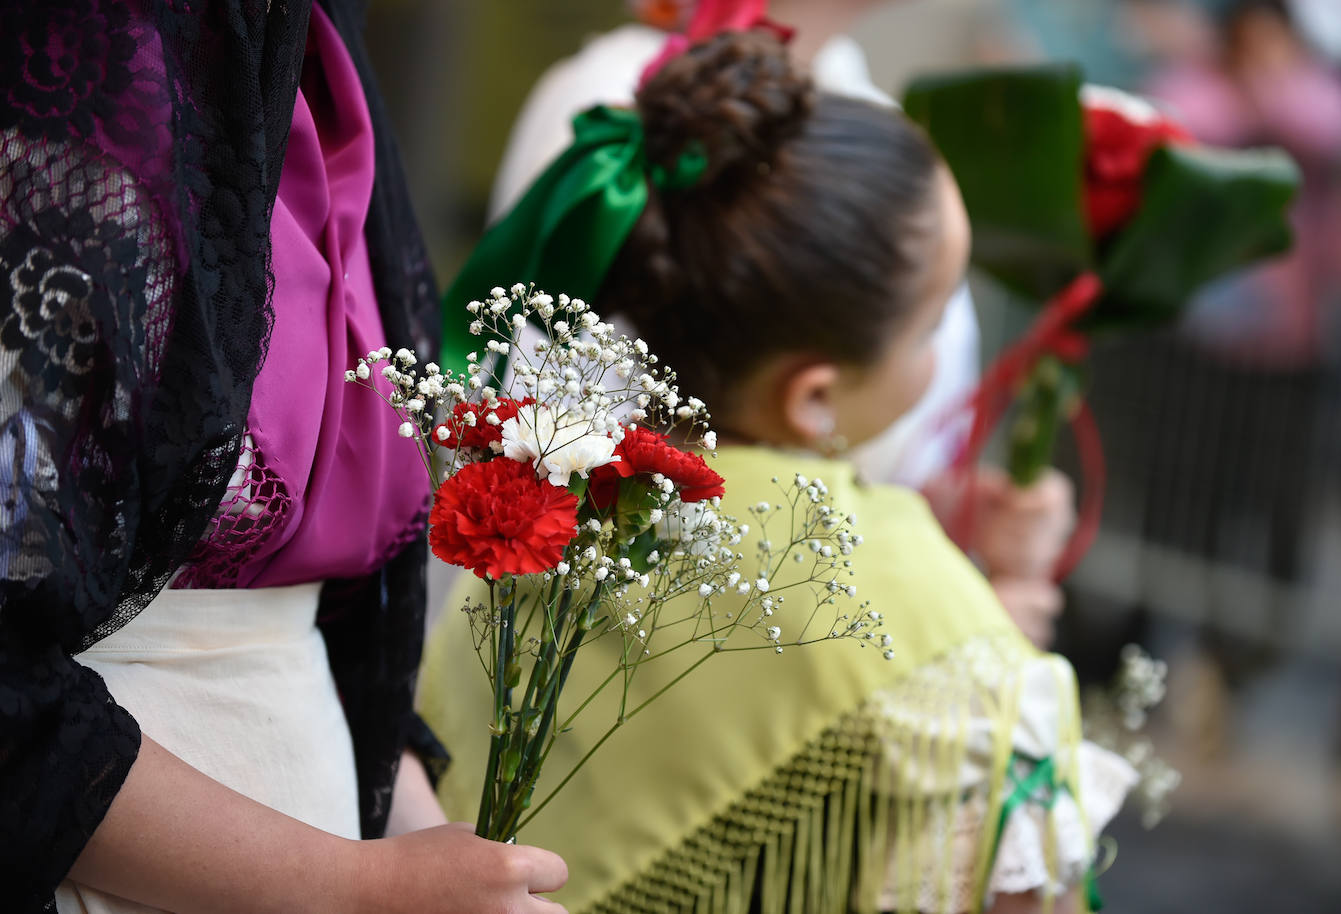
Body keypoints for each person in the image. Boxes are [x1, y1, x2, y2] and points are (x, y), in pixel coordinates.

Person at [421, 31, 1134, 914]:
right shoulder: (923, 612)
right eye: (931, 324)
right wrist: (995, 615)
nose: (940, 351)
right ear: (817, 396)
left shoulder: (550, 522)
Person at [1, 3, 566, 911]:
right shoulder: (80, 49)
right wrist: (352, 885)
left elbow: (326, 618)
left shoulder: (314, 44)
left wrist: (418, 839)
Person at [480, 0, 1071, 649]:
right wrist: (954, 648)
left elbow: (817, 435)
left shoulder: (850, 99)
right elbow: (584, 512)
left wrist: (947, 516)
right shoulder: (620, 118)